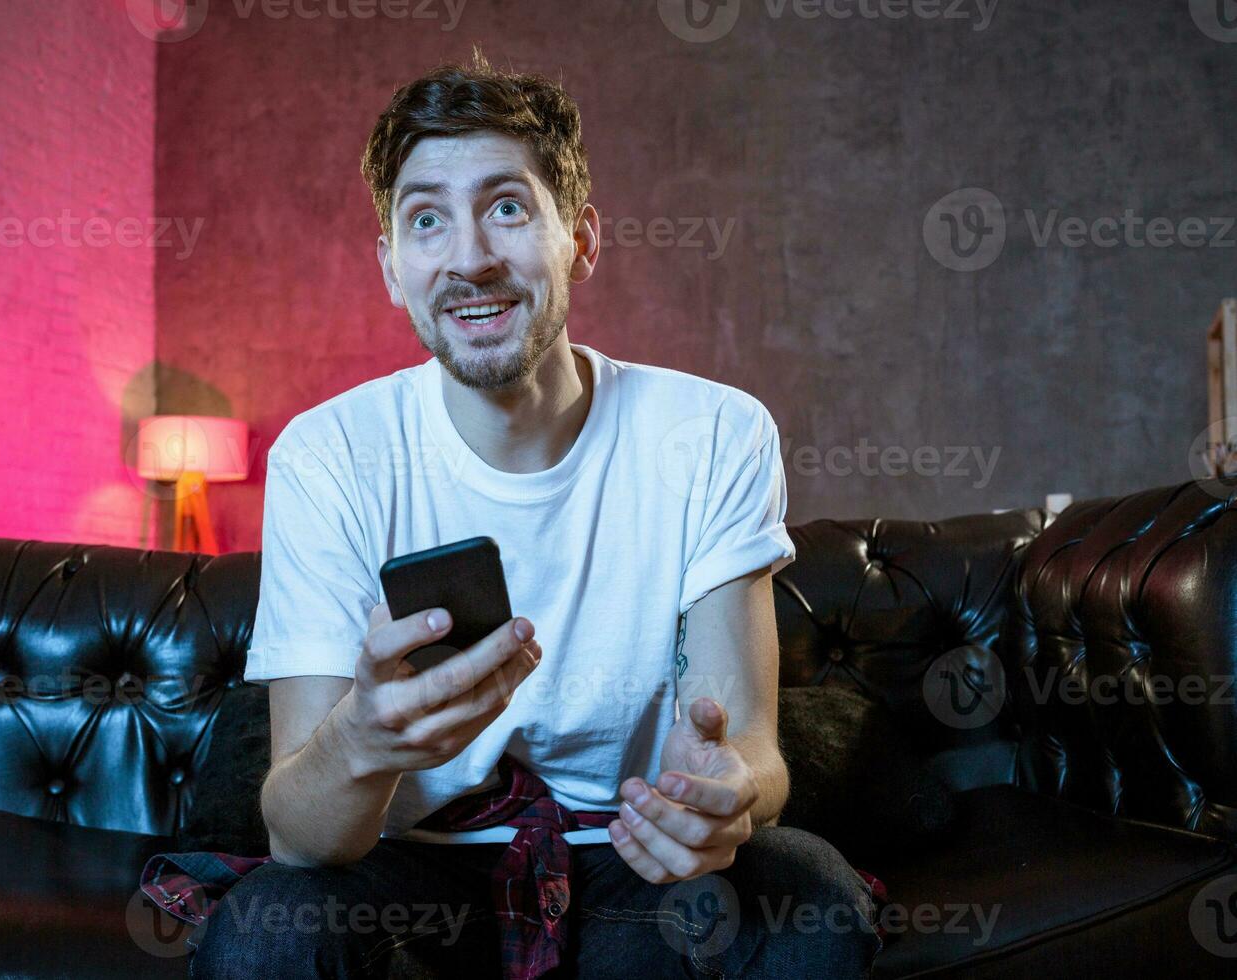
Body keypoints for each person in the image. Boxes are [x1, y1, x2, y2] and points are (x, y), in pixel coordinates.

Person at [190, 51, 881, 979]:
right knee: (264, 931)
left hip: (625, 852)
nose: (470, 257)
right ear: (393, 269)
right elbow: (301, 838)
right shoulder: (328, 457)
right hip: (404, 862)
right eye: (426, 219)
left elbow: (753, 748)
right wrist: (362, 742)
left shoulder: (713, 432)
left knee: (809, 904)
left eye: (507, 207)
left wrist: (726, 796)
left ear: (581, 241)